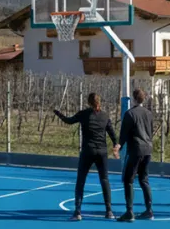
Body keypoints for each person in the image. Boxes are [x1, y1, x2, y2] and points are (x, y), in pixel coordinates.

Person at [55, 92, 118, 221]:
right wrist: (116, 145)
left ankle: (77, 211)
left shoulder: (83, 114)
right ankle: (109, 211)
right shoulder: (105, 116)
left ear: (88, 102)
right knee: (104, 180)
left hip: (88, 151)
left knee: (81, 180)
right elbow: (112, 133)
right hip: (102, 151)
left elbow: (69, 120)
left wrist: (58, 113)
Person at [116, 88, 154, 221]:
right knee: (144, 179)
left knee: (128, 180)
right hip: (148, 149)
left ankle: (129, 211)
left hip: (136, 149)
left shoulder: (130, 114)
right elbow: (151, 131)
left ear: (133, 99)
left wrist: (119, 146)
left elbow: (124, 134)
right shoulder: (149, 113)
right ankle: (149, 210)